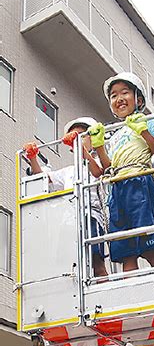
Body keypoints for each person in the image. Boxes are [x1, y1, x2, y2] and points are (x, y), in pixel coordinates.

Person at [89, 73, 154, 272]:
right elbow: (108, 168)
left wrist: (144, 131)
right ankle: (133, 297)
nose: (119, 98)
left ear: (138, 99)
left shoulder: (146, 121)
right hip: (117, 187)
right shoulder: (115, 134)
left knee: (151, 249)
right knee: (127, 255)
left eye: (125, 92)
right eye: (114, 95)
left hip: (139, 181)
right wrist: (99, 146)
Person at [23, 117, 108, 278]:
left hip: (90, 216)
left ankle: (104, 294)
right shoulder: (69, 171)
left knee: (97, 263)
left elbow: (98, 172)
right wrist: (33, 157)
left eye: (82, 135)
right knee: (69, 265)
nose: (77, 140)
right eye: (74, 137)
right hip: (69, 221)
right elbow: (44, 178)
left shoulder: (98, 161)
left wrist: (81, 151)